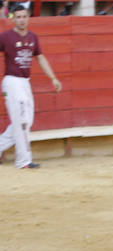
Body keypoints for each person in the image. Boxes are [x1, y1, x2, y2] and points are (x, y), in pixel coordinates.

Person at [0, 3, 62, 169]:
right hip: (12, 82)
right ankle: (23, 160)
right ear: (13, 19)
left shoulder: (33, 37)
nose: (21, 20)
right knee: (22, 121)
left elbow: (40, 58)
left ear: (28, 18)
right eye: (18, 17)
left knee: (26, 121)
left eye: (24, 16)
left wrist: (53, 78)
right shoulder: (5, 37)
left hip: (25, 82)